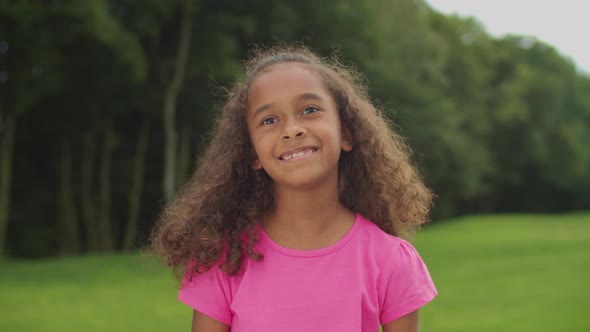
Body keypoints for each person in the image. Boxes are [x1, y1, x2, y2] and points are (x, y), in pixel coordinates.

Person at [151, 45, 437, 332]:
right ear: (253, 155)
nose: (292, 130)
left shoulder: (390, 260)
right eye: (269, 120)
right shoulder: (224, 259)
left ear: (346, 135)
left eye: (309, 110)